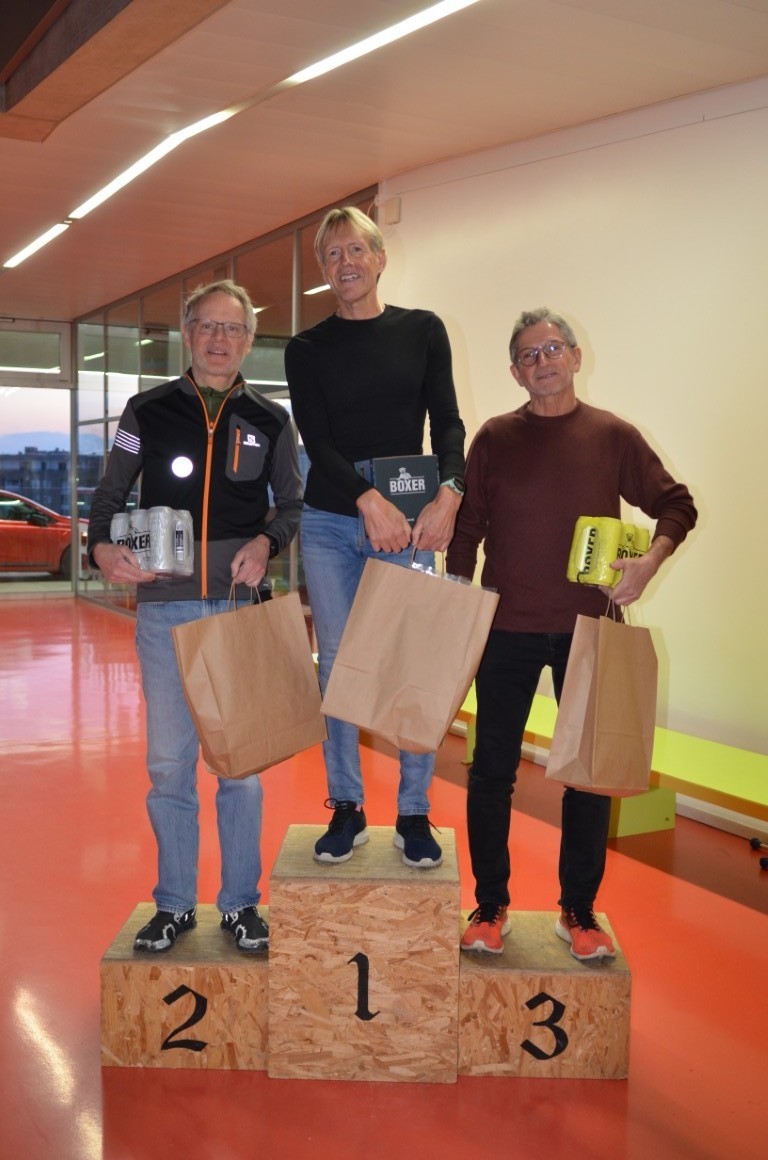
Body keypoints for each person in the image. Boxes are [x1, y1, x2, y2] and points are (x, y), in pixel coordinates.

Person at [446, 308, 697, 960]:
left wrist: (651, 561)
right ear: (515, 372)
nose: (543, 362)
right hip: (506, 629)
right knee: (490, 773)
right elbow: (467, 529)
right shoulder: (495, 438)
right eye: (529, 355)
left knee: (589, 775)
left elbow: (677, 504)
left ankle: (578, 911)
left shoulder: (613, 436)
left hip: (590, 632)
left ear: (575, 357)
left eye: (553, 349)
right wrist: (456, 603)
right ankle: (490, 905)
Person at [87, 279, 302, 953]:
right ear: (187, 334)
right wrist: (101, 549)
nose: (219, 339)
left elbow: (292, 505)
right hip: (165, 611)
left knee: (240, 769)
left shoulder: (271, 420)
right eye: (207, 326)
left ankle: (241, 904)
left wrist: (267, 543)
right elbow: (108, 497)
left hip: (238, 610)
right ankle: (175, 904)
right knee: (168, 766)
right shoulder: (144, 412)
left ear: (249, 340)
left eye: (233, 328)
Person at [285, 206, 466, 869]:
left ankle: (413, 810)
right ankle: (347, 805)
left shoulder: (423, 331)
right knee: (337, 665)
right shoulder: (306, 349)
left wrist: (452, 490)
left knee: (414, 659)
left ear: (380, 258)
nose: (346, 263)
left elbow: (448, 422)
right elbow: (317, 440)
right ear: (323, 270)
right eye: (332, 255)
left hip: (411, 516)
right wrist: (366, 500)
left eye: (356, 250)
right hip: (333, 520)